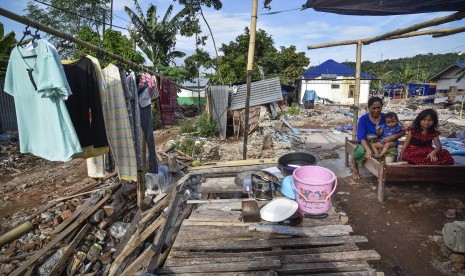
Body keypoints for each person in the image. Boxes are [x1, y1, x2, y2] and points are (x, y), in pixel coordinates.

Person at [352, 97, 405, 180]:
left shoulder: (386, 117)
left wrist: (394, 137)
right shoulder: (363, 119)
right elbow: (361, 137)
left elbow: (402, 131)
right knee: (360, 151)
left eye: (379, 108)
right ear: (368, 108)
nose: (376, 110)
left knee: (390, 154)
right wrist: (368, 150)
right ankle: (355, 168)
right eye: (373, 108)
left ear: (382, 107)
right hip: (368, 142)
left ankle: (384, 170)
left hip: (383, 142)